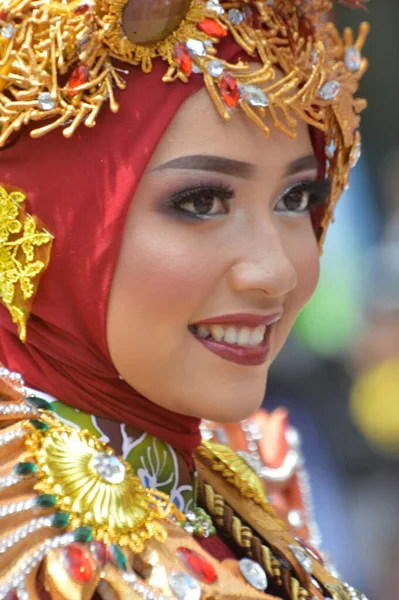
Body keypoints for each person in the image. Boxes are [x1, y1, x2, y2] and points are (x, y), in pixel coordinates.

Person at [0, 0, 369, 598]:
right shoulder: (22, 536)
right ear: (45, 219)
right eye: (201, 202)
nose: (274, 271)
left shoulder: (241, 465)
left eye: (297, 198)